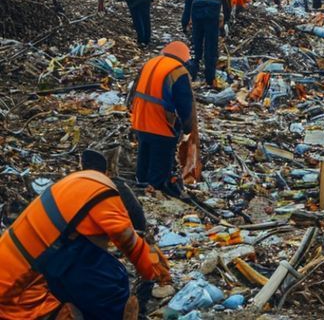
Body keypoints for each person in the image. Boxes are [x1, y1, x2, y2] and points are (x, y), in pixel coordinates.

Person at [0, 157, 169, 319]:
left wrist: (149, 250)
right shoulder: (108, 204)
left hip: (19, 266)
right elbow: (134, 248)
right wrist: (154, 268)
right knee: (112, 285)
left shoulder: (85, 184)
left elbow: (136, 244)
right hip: (17, 291)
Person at [128, 41, 195, 196]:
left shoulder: (150, 63)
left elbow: (133, 90)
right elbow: (185, 104)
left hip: (140, 120)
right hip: (160, 124)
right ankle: (154, 192)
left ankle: (140, 183)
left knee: (144, 153)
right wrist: (187, 128)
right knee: (160, 163)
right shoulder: (178, 71)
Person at [182, 0, 232, 87]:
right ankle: (209, 77)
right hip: (212, 12)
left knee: (196, 41)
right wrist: (226, 18)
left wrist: (185, 21)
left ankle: (193, 71)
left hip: (197, 11)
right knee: (211, 44)